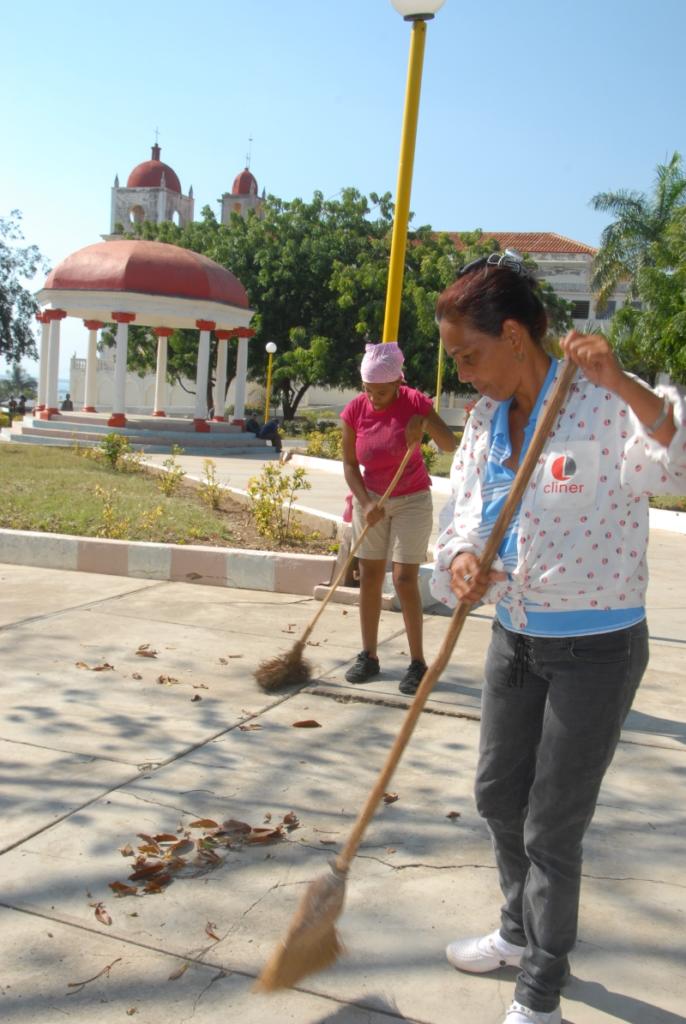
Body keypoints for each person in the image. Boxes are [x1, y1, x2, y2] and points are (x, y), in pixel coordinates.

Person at [429, 250, 685, 1024]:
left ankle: (540, 988)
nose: (465, 374)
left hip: (597, 647)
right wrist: (463, 562)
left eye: (470, 356)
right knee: (497, 797)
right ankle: (517, 930)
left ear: (513, 336)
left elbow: (671, 469)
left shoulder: (601, 405)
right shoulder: (483, 419)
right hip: (516, 636)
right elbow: (463, 516)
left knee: (552, 824)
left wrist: (628, 386)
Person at [341, 341, 457, 694]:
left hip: (411, 499)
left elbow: (449, 444)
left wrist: (422, 424)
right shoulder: (354, 410)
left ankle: (418, 662)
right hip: (371, 499)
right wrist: (365, 502)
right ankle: (369, 655)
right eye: (368, 390)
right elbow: (349, 463)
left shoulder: (415, 402)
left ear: (398, 383)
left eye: (382, 391)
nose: (374, 398)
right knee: (371, 576)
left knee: (404, 578)